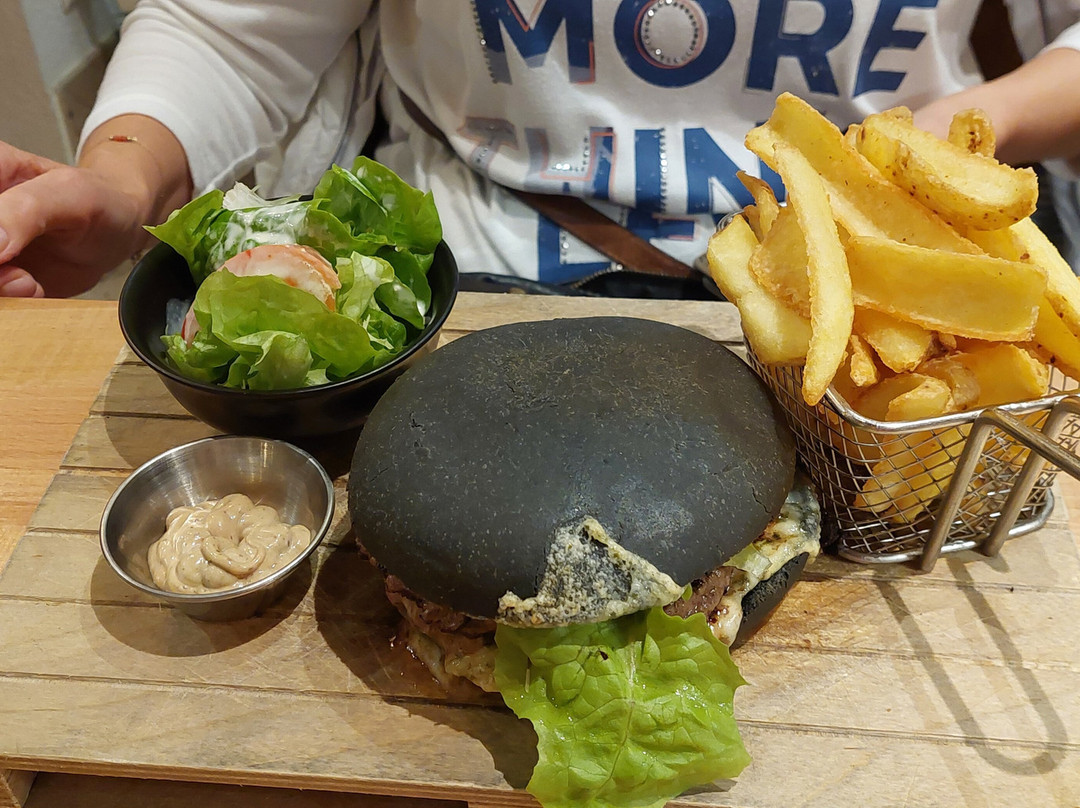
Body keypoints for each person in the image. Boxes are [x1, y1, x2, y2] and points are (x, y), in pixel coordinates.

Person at [2, 0, 1080, 299]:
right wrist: (122, 177)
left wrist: (972, 125)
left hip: (889, 274)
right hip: (466, 271)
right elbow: (233, 27)